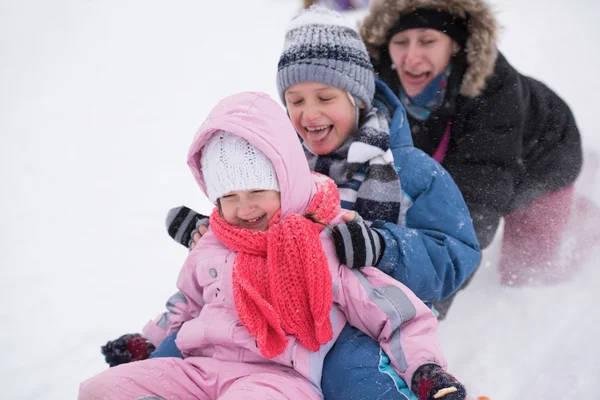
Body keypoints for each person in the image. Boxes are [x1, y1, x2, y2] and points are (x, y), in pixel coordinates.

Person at [80, 91, 467, 400]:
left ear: (286, 182)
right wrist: (145, 342)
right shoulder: (213, 242)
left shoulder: (322, 241)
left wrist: (425, 370)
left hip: (275, 379)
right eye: (228, 195)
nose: (244, 208)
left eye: (258, 191)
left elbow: (393, 311)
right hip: (200, 369)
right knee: (100, 390)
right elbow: (184, 304)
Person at [359, 0, 583, 287]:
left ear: (453, 45)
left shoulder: (495, 91)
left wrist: (429, 304)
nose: (411, 57)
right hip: (474, 164)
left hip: (545, 156)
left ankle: (585, 224)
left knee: (524, 276)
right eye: (400, 42)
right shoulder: (378, 86)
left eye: (427, 41)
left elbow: (475, 205)